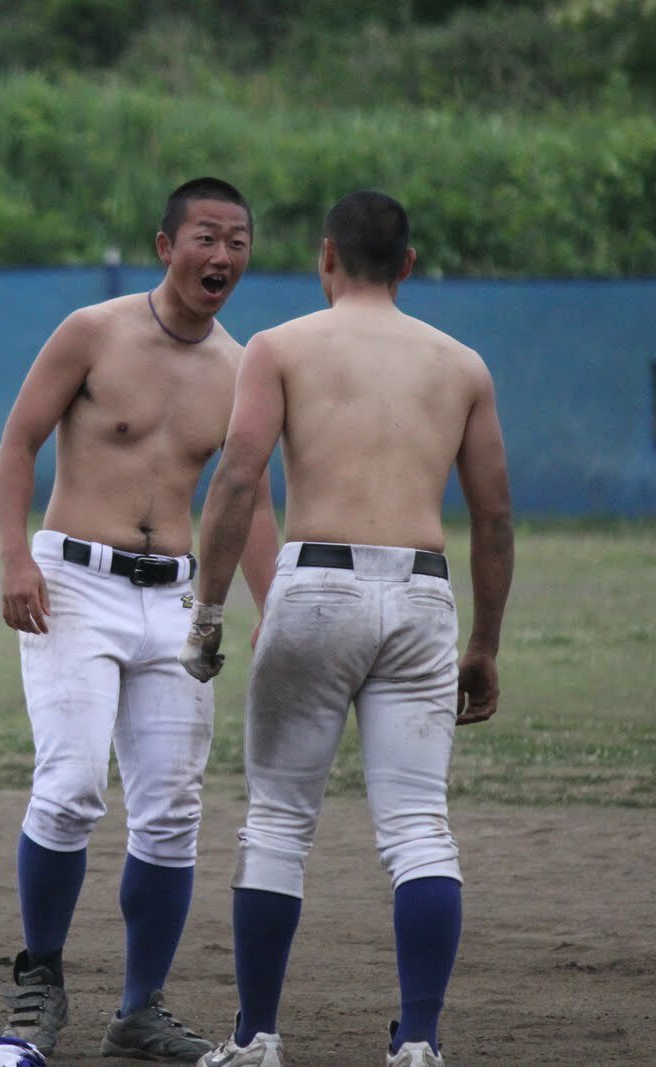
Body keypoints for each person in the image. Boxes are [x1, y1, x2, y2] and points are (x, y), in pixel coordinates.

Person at [179, 190, 514, 1067]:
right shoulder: (462, 365)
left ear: (326, 256)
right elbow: (494, 517)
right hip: (423, 593)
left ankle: (255, 1038)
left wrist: (208, 612)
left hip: (317, 585)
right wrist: (485, 643)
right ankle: (420, 1042)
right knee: (419, 826)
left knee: (278, 823)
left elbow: (237, 479)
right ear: (408, 264)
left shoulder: (278, 347)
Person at [0, 176, 279, 1061]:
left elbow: (248, 500)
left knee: (171, 811)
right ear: (166, 246)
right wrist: (15, 557)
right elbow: (18, 440)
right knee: (72, 785)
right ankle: (40, 979)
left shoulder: (241, 369)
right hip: (74, 582)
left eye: (237, 240)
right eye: (205, 237)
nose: (221, 255)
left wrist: (277, 610)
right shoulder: (93, 331)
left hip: (180, 598)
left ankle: (139, 1008)